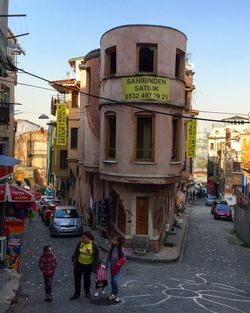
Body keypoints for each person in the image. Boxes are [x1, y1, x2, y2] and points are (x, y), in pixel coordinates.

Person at [70, 231, 99, 300]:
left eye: (84, 238)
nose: (82, 239)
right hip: (79, 264)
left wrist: (97, 264)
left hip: (88, 265)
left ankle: (87, 292)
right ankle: (77, 294)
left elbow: (96, 256)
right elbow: (76, 252)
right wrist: (74, 259)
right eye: (82, 238)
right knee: (77, 279)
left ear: (89, 238)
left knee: (87, 279)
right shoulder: (80, 243)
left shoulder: (94, 245)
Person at [106, 236, 126, 302]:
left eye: (114, 240)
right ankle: (113, 293)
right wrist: (106, 265)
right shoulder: (111, 248)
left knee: (114, 280)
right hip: (112, 266)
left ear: (118, 242)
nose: (112, 241)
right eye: (112, 240)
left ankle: (116, 294)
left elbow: (123, 258)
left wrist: (120, 264)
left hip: (117, 267)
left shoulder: (121, 249)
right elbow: (108, 257)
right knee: (112, 280)